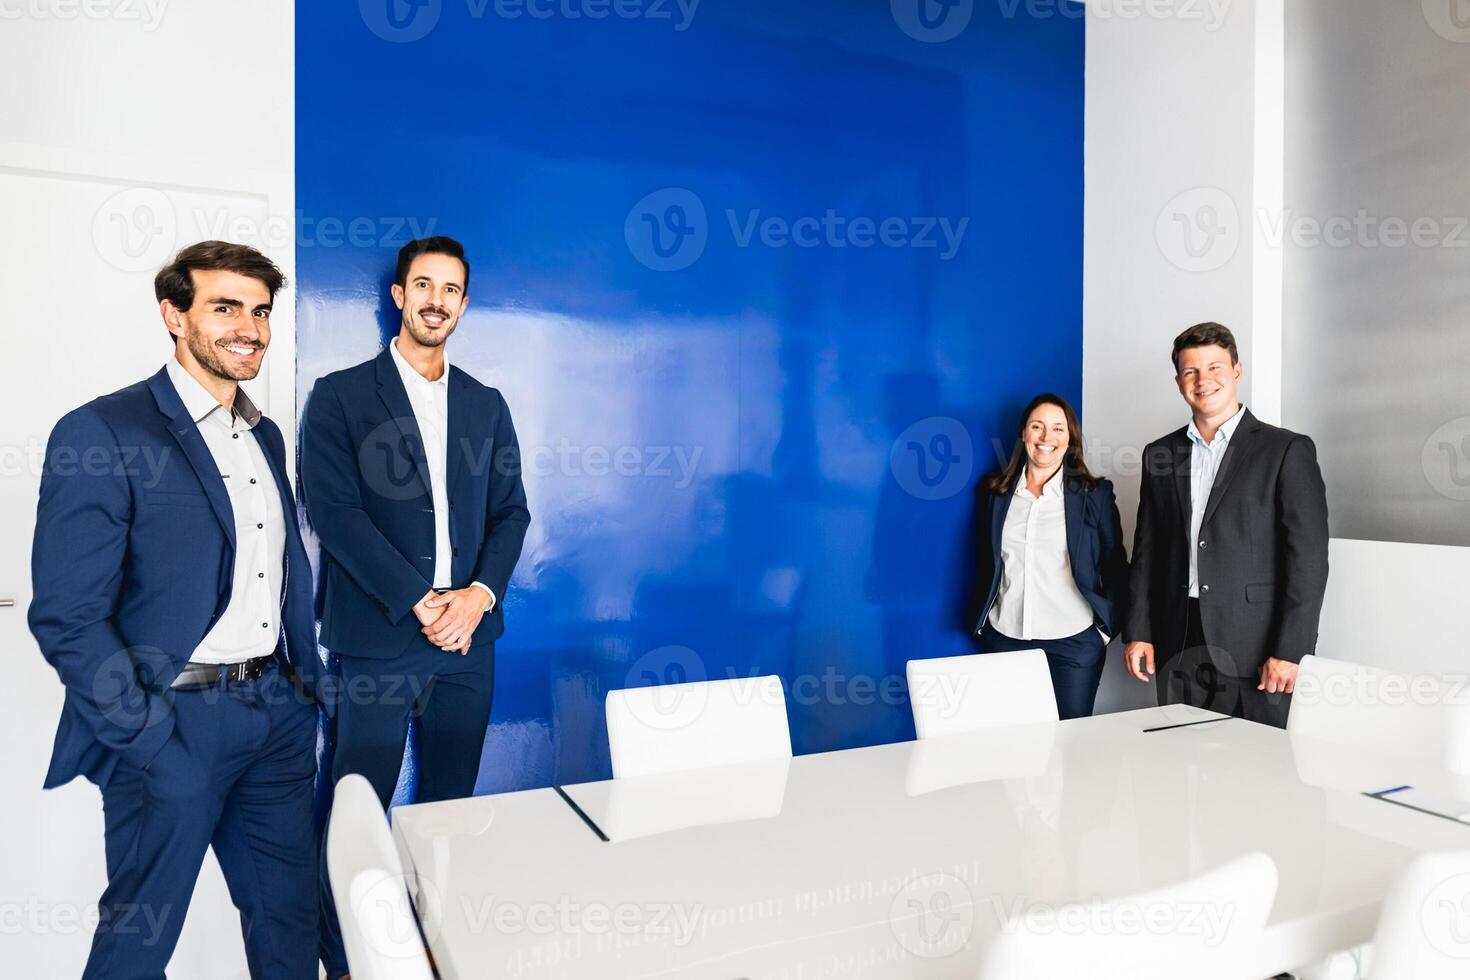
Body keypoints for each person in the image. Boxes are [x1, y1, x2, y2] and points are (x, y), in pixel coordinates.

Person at [28, 241, 329, 978]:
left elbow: (275, 573)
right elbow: (67, 614)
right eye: (225, 307)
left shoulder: (264, 433)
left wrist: (303, 692)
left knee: (289, 919)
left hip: (275, 716)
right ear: (174, 314)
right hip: (171, 722)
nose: (251, 328)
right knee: (139, 938)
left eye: (261, 311)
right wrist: (146, 734)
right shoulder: (103, 431)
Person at [302, 235, 530, 977]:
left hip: (469, 642)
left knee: (449, 808)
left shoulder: (486, 406)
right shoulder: (341, 394)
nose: (437, 300)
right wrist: (418, 600)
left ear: (463, 304)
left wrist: (477, 596)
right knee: (356, 810)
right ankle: (343, 960)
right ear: (399, 296)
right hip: (377, 635)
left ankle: (438, 949)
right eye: (423, 285)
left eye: (451, 289)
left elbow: (511, 514)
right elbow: (331, 512)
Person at [1123, 322, 1329, 728]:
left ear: (1237, 370)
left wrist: (1291, 651)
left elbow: (1308, 561)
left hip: (1256, 645)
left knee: (1257, 771)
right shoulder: (1159, 454)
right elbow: (1147, 550)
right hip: (1178, 636)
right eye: (1191, 371)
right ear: (1179, 381)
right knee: (1181, 759)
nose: (1204, 380)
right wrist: (1139, 630)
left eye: (1215, 367)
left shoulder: (1285, 450)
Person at [972, 393, 1128, 719]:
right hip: (1006, 639)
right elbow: (984, 562)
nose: (1047, 438)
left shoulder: (1094, 494)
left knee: (1067, 748)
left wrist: (1102, 632)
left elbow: (1116, 567)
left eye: (1058, 429)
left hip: (1073, 642)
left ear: (1070, 438)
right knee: (1012, 744)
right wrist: (985, 625)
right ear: (1024, 434)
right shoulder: (996, 493)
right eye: (1037, 427)